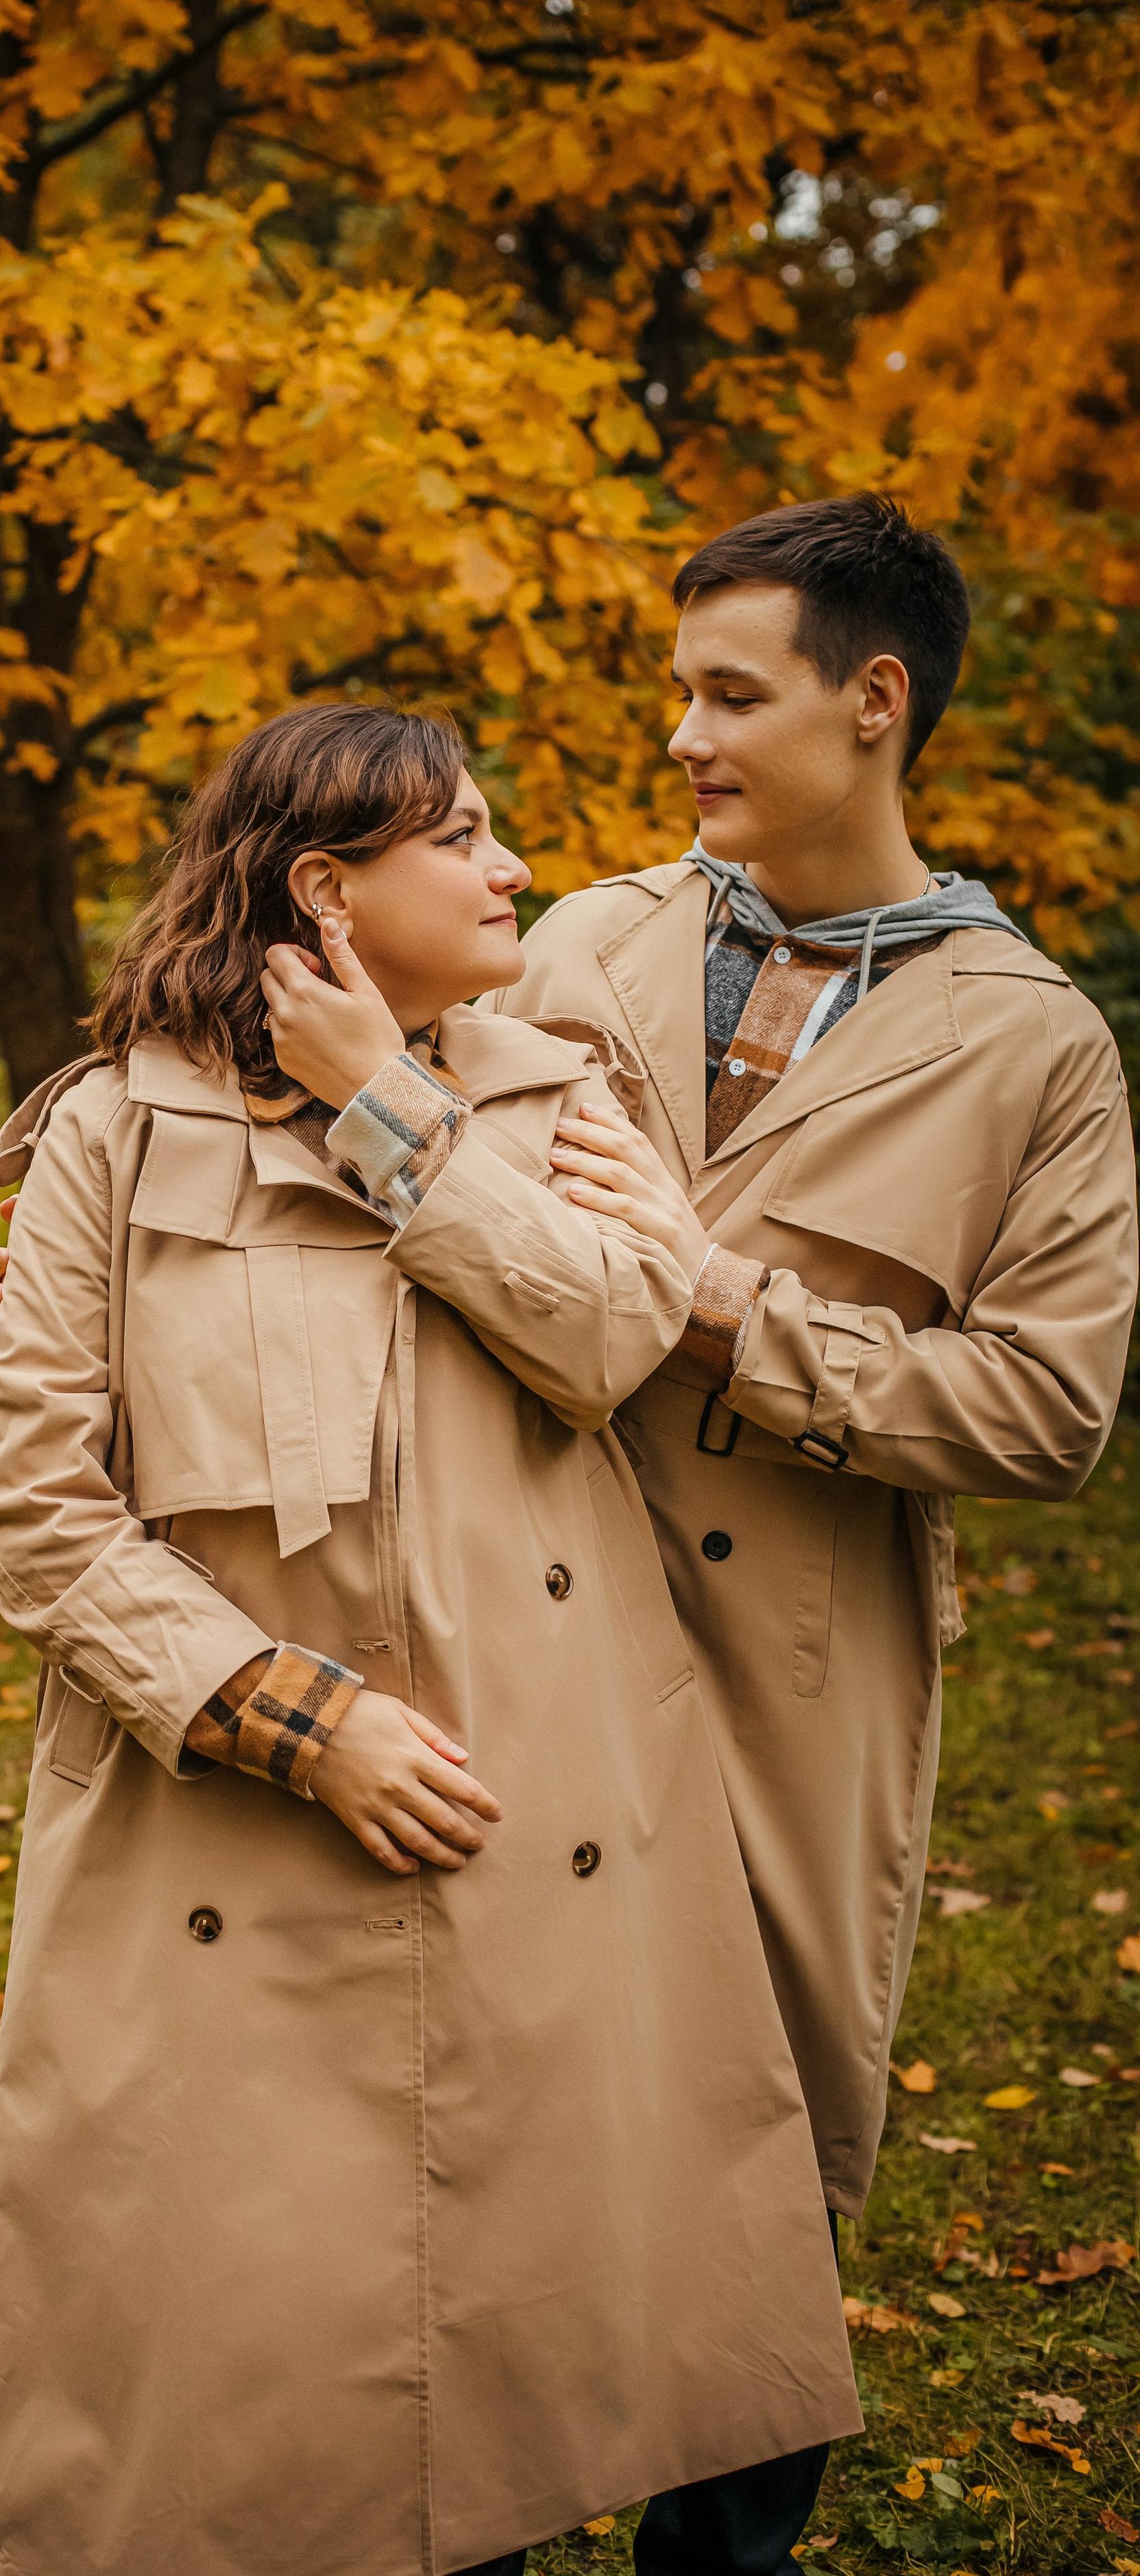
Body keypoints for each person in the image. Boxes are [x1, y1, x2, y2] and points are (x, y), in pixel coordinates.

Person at [0, 703, 860, 2576]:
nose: (514, 865)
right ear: (328, 888)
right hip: (227, 1836)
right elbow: (40, 1514)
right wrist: (295, 1720)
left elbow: (612, 1341)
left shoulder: (552, 1097)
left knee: (513, 2372)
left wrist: (399, 1113)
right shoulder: (111, 1136)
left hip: (539, 1834)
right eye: (463, 835)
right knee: (272, 2393)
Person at [507, 491, 1137, 2571]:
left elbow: (1045, 1415)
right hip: (512, 1637)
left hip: (793, 1694)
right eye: (679, 685)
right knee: (485, 2156)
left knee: (745, 2194)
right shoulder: (581, 938)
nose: (680, 732)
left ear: (875, 704)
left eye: (728, 691)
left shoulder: (1032, 1043)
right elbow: (349, 1153)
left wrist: (725, 1312)